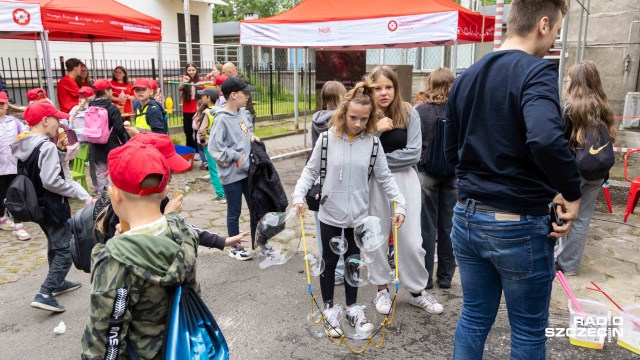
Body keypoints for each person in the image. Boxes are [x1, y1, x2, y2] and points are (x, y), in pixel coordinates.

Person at [445, 0, 582, 358]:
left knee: (474, 316)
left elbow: (448, 151)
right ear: (543, 23)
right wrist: (571, 191)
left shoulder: (465, 77)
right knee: (527, 328)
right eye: (556, 30)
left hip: (467, 216)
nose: (554, 38)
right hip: (516, 223)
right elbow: (546, 139)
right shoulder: (536, 71)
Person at [292, 79, 406, 337]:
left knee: (353, 263)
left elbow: (387, 178)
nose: (358, 123)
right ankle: (331, 311)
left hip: (358, 215)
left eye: (364, 119)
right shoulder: (326, 139)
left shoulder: (373, 144)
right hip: (330, 212)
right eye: (353, 117)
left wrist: (401, 205)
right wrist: (298, 196)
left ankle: (353, 309)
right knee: (330, 262)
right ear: (343, 113)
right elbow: (310, 171)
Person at [80, 142, 197, 359]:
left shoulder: (114, 259)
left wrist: (120, 247)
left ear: (114, 194)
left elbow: (104, 341)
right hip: (182, 346)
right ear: (165, 192)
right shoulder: (184, 233)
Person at [366, 65, 442, 315]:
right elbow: (358, 151)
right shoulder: (364, 115)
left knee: (410, 240)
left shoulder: (409, 112)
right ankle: (381, 290)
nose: (383, 93)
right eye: (377, 88)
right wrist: (377, 130)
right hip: (374, 184)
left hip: (404, 182)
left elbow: (413, 154)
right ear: (370, 90)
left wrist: (377, 159)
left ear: (396, 88)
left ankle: (418, 290)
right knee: (376, 238)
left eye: (388, 87)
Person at [12, 102, 82, 312]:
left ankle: (58, 283)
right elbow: (51, 180)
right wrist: (74, 192)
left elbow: (37, 169)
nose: (59, 124)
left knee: (54, 243)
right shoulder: (46, 145)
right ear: (44, 121)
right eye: (56, 119)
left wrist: (60, 153)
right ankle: (45, 292)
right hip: (53, 205)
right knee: (66, 250)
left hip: (36, 205)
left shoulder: (24, 143)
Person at [555, 60, 617, 276]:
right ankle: (569, 265)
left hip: (574, 173)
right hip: (598, 172)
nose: (565, 82)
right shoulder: (604, 106)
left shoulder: (570, 108)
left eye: (568, 79)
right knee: (582, 218)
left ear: (576, 82)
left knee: (563, 212)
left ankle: (560, 260)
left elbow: (560, 143)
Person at [415, 68, 457, 290]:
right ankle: (446, 277)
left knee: (426, 228)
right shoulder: (458, 109)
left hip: (426, 172)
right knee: (449, 226)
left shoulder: (420, 110)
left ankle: (425, 278)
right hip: (453, 173)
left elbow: (415, 143)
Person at [210, 77, 260, 261]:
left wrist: (252, 137)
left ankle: (262, 243)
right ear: (233, 95)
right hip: (231, 175)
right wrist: (235, 156)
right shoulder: (221, 120)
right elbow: (214, 148)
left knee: (256, 207)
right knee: (234, 211)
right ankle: (235, 248)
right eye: (244, 93)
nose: (248, 96)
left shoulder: (243, 113)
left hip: (247, 171)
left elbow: (245, 132)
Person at [311, 81, 347, 284]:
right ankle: (340, 270)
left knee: (321, 225)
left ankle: (325, 265)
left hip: (318, 179)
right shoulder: (340, 121)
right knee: (340, 227)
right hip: (336, 178)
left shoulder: (316, 119)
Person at [88, 79, 129, 191]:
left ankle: (104, 196)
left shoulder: (90, 106)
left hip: (95, 145)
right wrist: (125, 142)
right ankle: (118, 194)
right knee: (116, 171)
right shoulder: (112, 108)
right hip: (112, 145)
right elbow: (119, 128)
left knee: (101, 172)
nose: (112, 92)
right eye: (111, 89)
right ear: (106, 91)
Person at [0, 92, 31, 241]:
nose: (0, 106)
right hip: (0, 168)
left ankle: (18, 226)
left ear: (7, 105)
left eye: (2, 104)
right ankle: (2, 219)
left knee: (15, 195)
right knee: (1, 196)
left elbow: (25, 133)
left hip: (13, 166)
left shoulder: (14, 122)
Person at [196, 87, 226, 203]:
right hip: (221, 144)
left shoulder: (206, 112)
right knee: (222, 168)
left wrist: (203, 142)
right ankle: (227, 192)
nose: (202, 97)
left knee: (213, 170)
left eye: (203, 96)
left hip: (210, 144)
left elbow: (201, 130)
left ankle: (221, 195)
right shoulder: (220, 110)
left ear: (208, 98)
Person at [179, 63, 203, 151]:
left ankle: (198, 149)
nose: (191, 72)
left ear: (196, 70)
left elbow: (204, 91)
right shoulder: (184, 79)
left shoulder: (200, 80)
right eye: (189, 70)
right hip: (187, 109)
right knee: (188, 131)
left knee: (197, 130)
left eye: (193, 70)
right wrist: (184, 82)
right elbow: (180, 88)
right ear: (186, 71)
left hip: (197, 108)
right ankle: (190, 148)